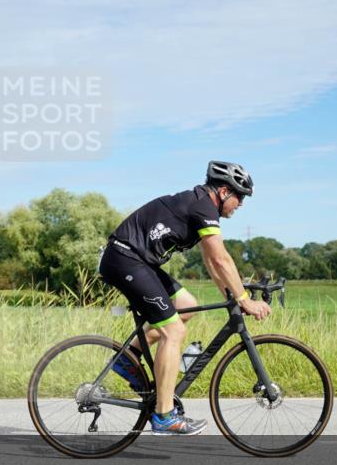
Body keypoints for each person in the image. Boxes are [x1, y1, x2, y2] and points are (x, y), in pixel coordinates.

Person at [98, 161, 271, 435]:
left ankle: (128, 357)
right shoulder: (203, 206)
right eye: (239, 197)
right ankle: (164, 416)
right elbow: (221, 258)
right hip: (125, 260)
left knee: (186, 305)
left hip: (137, 260)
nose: (240, 204)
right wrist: (244, 299)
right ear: (225, 191)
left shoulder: (202, 204)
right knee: (174, 331)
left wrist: (231, 296)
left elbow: (212, 263)